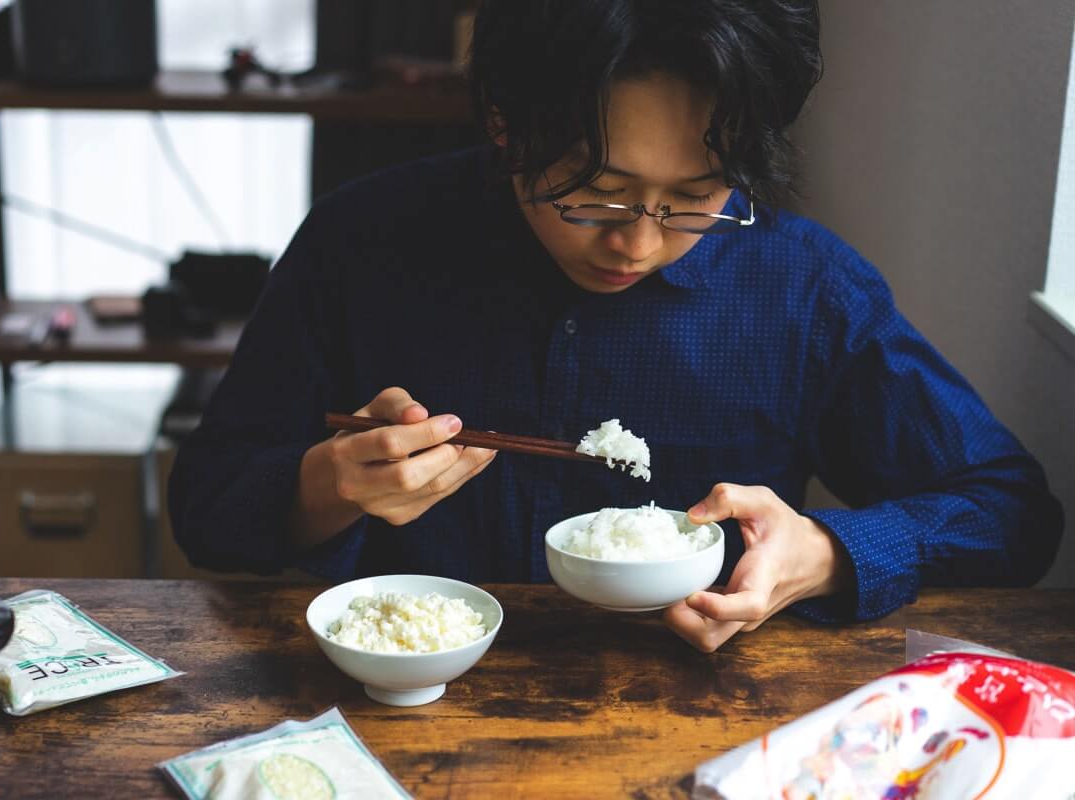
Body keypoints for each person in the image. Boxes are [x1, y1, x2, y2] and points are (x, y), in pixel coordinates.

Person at [169, 0, 1063, 652]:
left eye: (694, 198)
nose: (638, 242)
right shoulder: (362, 242)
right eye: (596, 191)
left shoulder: (802, 287)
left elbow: (1011, 513)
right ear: (504, 124)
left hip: (701, 731)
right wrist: (327, 488)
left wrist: (827, 552)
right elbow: (205, 507)